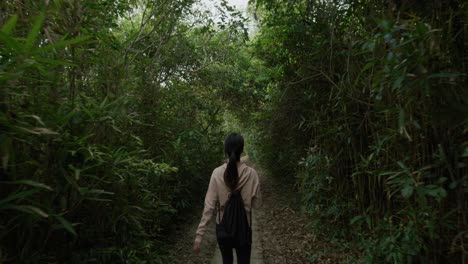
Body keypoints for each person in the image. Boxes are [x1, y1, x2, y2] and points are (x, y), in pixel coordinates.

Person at [193, 133, 261, 264]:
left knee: (226, 260)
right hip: (244, 228)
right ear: (242, 150)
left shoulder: (216, 173)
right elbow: (257, 204)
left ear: (226, 150)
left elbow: (209, 207)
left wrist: (199, 235)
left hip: (223, 229)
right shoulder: (251, 174)